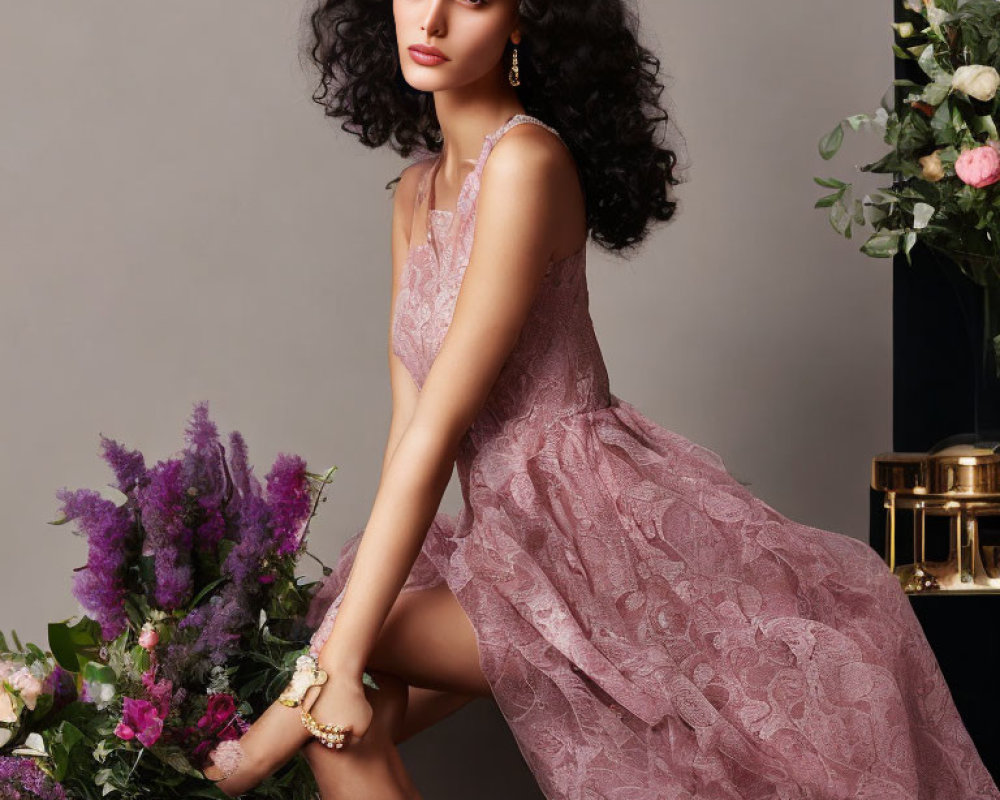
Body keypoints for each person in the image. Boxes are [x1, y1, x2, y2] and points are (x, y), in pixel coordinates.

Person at [204, 0, 1000, 798]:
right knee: (347, 716)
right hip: (501, 540)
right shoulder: (414, 194)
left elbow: (442, 423)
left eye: (474, 0)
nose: (433, 19)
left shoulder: (527, 163)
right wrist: (332, 664)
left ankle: (272, 733)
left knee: (341, 677)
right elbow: (407, 427)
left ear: (523, 22)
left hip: (590, 535)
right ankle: (287, 722)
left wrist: (316, 680)